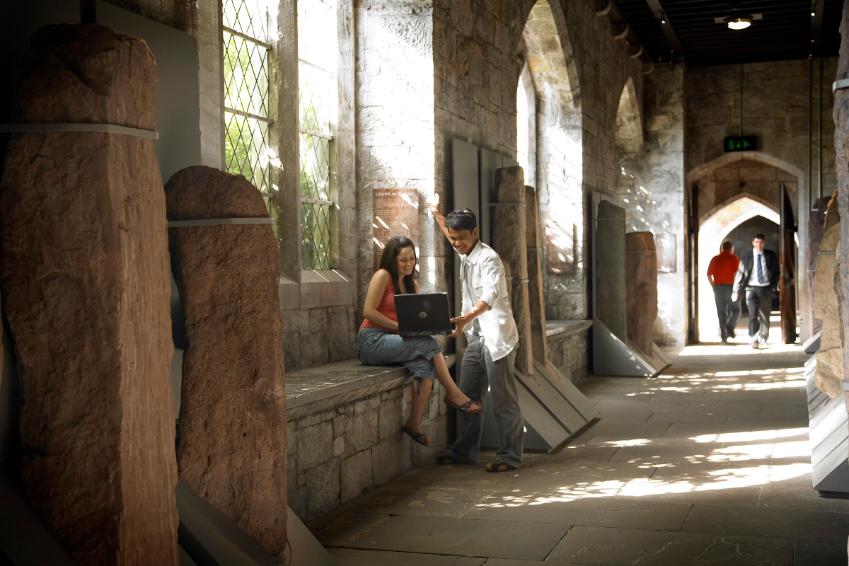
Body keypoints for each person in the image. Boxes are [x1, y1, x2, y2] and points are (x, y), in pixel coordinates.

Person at [358, 235, 481, 447]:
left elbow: (415, 322)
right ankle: (453, 393)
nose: (408, 264)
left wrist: (439, 325)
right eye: (403, 260)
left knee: (426, 363)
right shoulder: (383, 276)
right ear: (392, 259)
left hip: (396, 340)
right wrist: (399, 327)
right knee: (428, 344)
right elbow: (368, 312)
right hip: (372, 341)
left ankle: (413, 423)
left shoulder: (411, 285)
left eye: (412, 259)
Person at [430, 206, 524, 472]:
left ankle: (510, 456)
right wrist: (437, 214)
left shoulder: (489, 258)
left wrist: (465, 319)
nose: (456, 243)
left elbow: (489, 297)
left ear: (474, 232)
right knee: (467, 398)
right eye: (453, 238)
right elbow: (449, 233)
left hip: (498, 339)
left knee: (503, 401)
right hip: (476, 338)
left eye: (461, 237)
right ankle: (464, 453)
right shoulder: (465, 251)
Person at [732, 233, 779, 349]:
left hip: (765, 288)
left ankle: (763, 338)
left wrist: (774, 286)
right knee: (752, 315)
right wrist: (735, 290)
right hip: (751, 289)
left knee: (765, 316)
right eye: (757, 242)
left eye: (761, 242)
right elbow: (740, 273)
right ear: (753, 243)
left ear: (764, 243)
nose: (759, 245)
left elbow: (776, 272)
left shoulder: (770, 255)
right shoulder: (747, 256)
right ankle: (753, 337)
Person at [706, 241, 741, 343]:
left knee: (721, 313)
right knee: (736, 310)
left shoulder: (715, 259)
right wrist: (736, 288)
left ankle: (724, 337)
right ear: (731, 249)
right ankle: (730, 326)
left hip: (718, 289)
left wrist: (713, 286)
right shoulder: (733, 258)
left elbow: (708, 275)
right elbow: (735, 274)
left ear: (722, 248)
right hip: (730, 288)